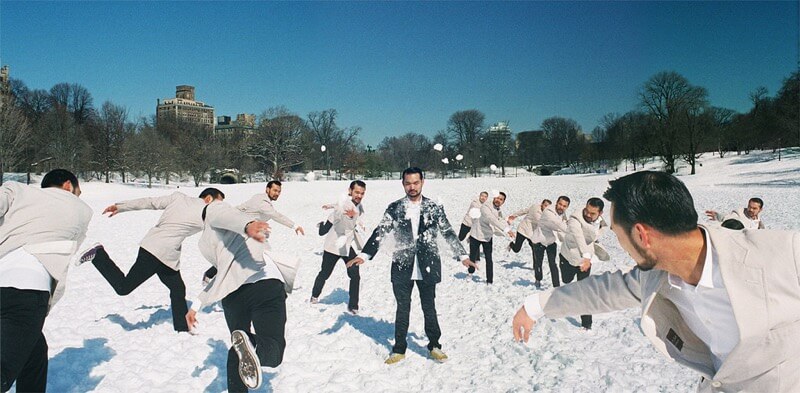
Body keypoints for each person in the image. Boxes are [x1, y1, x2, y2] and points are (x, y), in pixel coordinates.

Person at [512, 171, 800, 392]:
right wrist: (535, 306)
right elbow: (603, 291)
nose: (617, 241)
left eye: (616, 231)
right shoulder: (655, 277)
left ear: (642, 235)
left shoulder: (787, 253)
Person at [346, 167, 477, 365]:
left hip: (428, 265)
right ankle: (399, 348)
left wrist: (463, 256)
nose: (412, 187)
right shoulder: (395, 207)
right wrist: (364, 254)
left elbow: (448, 232)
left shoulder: (433, 207)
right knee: (402, 308)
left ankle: (434, 345)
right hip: (402, 265)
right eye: (408, 183)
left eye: (416, 183)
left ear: (422, 182)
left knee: (429, 307)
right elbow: (380, 231)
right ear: (403, 184)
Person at [77, 188, 225, 333]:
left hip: (165, 255)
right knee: (123, 288)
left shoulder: (178, 198)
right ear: (209, 199)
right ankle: (99, 255)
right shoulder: (206, 213)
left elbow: (149, 202)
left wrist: (121, 207)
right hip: (155, 253)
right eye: (219, 203)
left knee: (178, 289)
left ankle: (182, 328)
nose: (220, 207)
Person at [1, 169, 93, 393]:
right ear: (68, 186)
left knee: (35, 354)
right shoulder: (81, 210)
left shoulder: (17, 190)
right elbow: (62, 263)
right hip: (27, 292)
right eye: (78, 191)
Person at [186, 200, 286, 392]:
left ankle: (248, 348)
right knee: (272, 352)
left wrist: (196, 305)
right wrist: (248, 225)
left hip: (234, 294)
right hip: (265, 284)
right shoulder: (218, 209)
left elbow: (225, 273)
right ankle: (253, 343)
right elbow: (224, 213)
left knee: (240, 348)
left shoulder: (207, 240)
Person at [203, 180, 304, 283]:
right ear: (267, 189)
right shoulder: (263, 202)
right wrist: (294, 226)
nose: (277, 193)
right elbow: (276, 215)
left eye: (279, 191)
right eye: (274, 190)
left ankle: (211, 275)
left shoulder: (261, 199)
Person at [311, 180, 367, 314]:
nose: (359, 195)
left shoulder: (358, 206)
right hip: (333, 246)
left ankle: (353, 305)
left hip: (346, 246)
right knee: (325, 273)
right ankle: (314, 295)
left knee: (355, 275)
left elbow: (355, 215)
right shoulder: (343, 207)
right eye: (357, 192)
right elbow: (339, 213)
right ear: (350, 191)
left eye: (362, 193)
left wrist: (359, 222)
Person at [557, 197, 607, 330]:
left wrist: (589, 253)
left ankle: (587, 323)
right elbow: (579, 236)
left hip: (585, 261)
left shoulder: (601, 221)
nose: (588, 215)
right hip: (568, 256)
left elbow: (597, 233)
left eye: (592, 213)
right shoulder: (575, 219)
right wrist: (585, 256)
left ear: (600, 213)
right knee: (566, 280)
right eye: (586, 211)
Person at [467, 191, 513, 284]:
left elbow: (501, 220)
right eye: (497, 198)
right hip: (476, 234)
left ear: (503, 202)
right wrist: (506, 229)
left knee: (489, 258)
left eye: (501, 199)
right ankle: (470, 273)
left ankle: (489, 280)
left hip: (487, 237)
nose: (498, 200)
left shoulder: (499, 210)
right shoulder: (486, 206)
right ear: (494, 198)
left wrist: (508, 229)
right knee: (472, 256)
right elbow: (491, 219)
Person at [534, 196, 571, 288]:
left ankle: (556, 286)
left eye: (564, 206)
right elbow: (559, 224)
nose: (561, 207)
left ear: (567, 207)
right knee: (538, 262)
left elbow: (565, 222)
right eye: (560, 204)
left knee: (553, 264)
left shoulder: (563, 213)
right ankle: (538, 279)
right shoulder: (548, 212)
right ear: (556, 203)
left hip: (551, 241)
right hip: (540, 240)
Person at [508, 198, 551, 275]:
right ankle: (511, 244)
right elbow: (524, 211)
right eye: (545, 205)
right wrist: (514, 215)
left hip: (532, 234)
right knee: (517, 249)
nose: (546, 208)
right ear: (542, 204)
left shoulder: (547, 213)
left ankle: (535, 266)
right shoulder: (535, 208)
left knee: (535, 249)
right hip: (523, 229)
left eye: (548, 207)